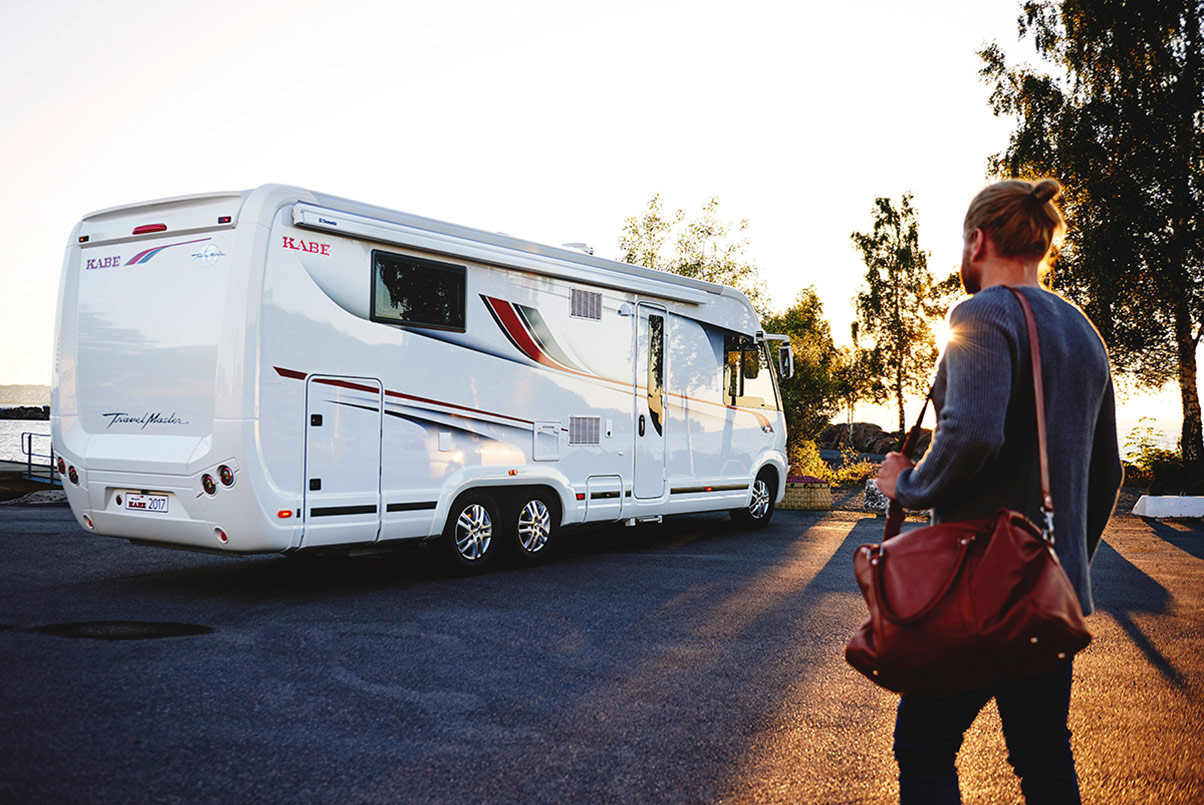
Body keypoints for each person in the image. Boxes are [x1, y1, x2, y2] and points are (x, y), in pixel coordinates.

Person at [874, 177, 1123, 804]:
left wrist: (905, 483)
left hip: (975, 590)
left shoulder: (980, 312)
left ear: (978, 239)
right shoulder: (1082, 332)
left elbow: (971, 435)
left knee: (925, 747)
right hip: (1046, 595)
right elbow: (1108, 472)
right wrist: (1061, 570)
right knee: (1042, 754)